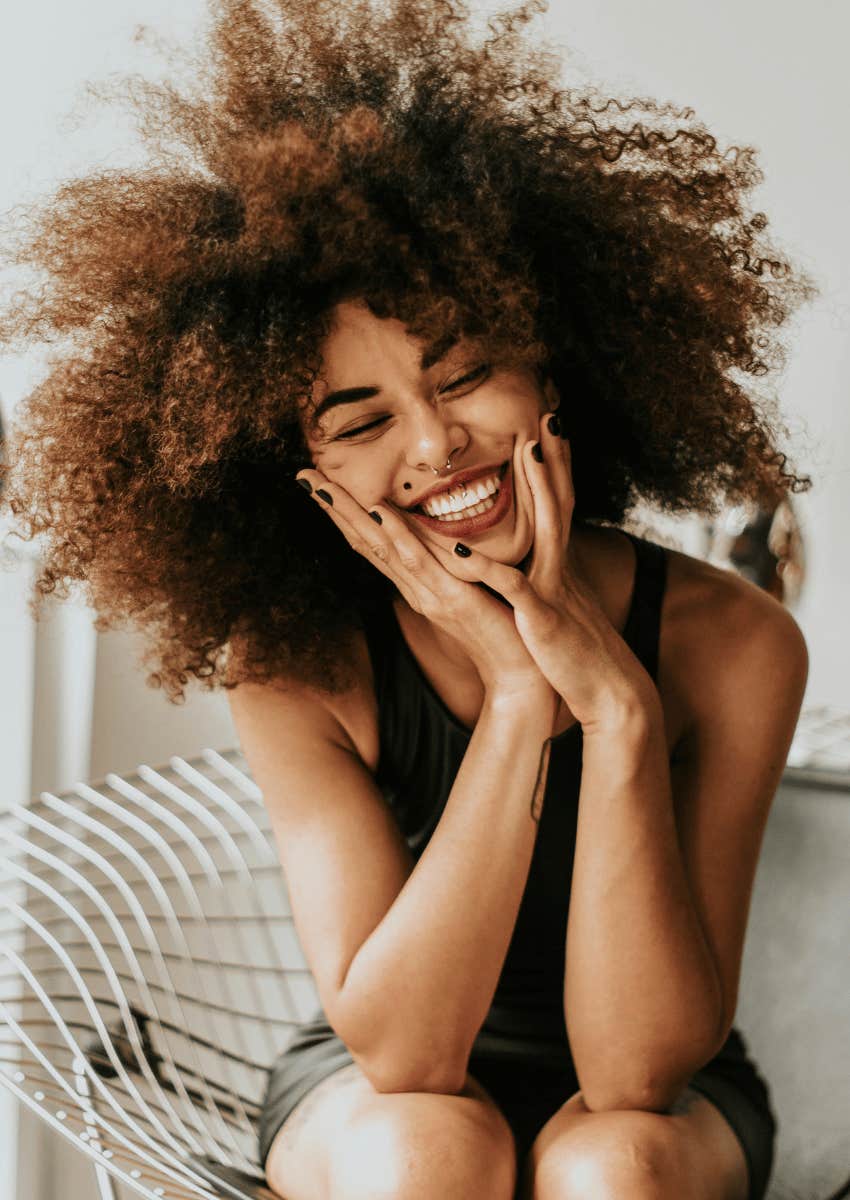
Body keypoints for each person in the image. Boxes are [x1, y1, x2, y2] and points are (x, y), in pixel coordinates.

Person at [0, 1, 814, 1197]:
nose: (436, 447)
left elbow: (636, 1071)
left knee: (617, 1166)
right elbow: (406, 1053)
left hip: (668, 1106)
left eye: (466, 373)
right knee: (430, 1149)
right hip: (375, 1089)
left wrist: (622, 714)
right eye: (362, 421)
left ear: (552, 362)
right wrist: (518, 700)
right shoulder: (294, 666)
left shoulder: (735, 642)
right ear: (303, 475)